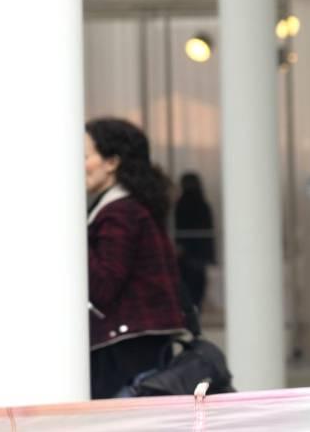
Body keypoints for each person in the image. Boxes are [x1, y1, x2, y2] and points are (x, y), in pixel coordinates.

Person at [84, 118, 188, 399]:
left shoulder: (119, 212)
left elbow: (103, 285)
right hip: (142, 346)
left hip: (125, 354)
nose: (79, 166)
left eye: (85, 156)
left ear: (111, 162)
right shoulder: (136, 205)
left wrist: (71, 237)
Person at [172, 172, 216, 316]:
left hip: (188, 254)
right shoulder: (202, 204)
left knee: (189, 288)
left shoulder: (183, 204)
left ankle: (190, 315)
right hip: (196, 254)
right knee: (196, 288)